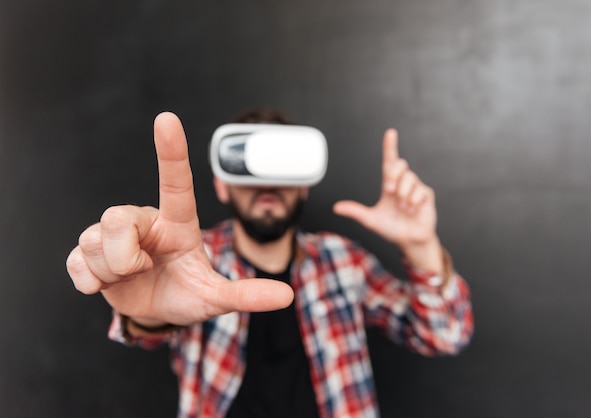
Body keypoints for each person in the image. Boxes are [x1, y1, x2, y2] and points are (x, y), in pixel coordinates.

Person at [66, 109, 474, 418]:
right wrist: (148, 315)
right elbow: (149, 326)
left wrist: (421, 245)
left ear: (304, 184)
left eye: (283, 163)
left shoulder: (343, 261)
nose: (266, 182)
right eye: (246, 163)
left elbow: (444, 335)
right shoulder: (187, 260)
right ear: (222, 185)